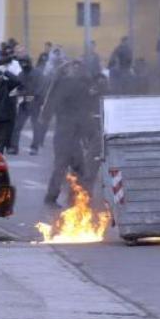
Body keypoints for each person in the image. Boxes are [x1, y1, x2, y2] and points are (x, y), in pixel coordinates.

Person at [42, 60, 91, 208]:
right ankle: (58, 197)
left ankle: (69, 197)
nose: (76, 70)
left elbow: (50, 103)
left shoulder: (61, 84)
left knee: (72, 167)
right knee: (66, 167)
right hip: (67, 135)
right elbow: (83, 110)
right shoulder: (73, 85)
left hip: (67, 134)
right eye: (73, 68)